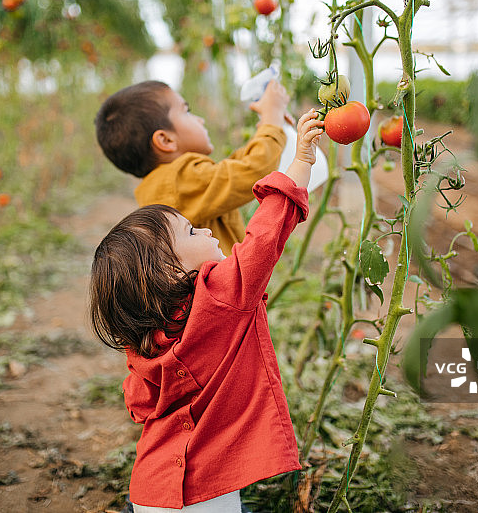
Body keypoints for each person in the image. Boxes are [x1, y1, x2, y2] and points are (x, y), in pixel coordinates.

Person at [89, 109, 324, 512]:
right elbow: (265, 234)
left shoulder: (143, 345)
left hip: (150, 490)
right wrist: (300, 160)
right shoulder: (222, 294)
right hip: (205, 494)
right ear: (170, 269)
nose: (208, 229)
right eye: (193, 231)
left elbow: (138, 403)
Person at [94, 79, 291, 256]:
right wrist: (271, 121)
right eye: (187, 111)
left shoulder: (166, 184)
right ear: (166, 140)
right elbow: (252, 171)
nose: (200, 119)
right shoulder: (179, 180)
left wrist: (268, 126)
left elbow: (235, 169)